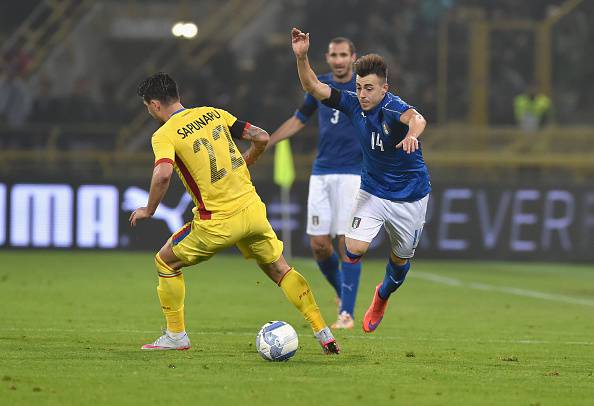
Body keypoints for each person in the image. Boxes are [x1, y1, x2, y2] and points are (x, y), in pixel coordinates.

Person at [130, 72, 339, 354]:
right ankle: (323, 332)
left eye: (147, 107)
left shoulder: (164, 134)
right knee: (281, 269)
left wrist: (149, 208)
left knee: (165, 262)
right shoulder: (214, 114)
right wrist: (248, 159)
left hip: (215, 223)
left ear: (155, 105)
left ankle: (176, 336)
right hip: (252, 212)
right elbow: (261, 136)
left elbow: (163, 174)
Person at [290, 28, 431, 333]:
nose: (363, 94)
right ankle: (347, 308)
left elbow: (417, 119)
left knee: (399, 262)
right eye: (359, 87)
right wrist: (302, 57)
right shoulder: (353, 103)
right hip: (373, 191)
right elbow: (314, 87)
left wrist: (411, 136)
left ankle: (381, 296)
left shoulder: (394, 107)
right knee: (352, 248)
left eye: (369, 88)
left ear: (384, 89)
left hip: (411, 195)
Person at [268, 37, 362, 329]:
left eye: (343, 55)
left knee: (347, 244)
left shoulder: (363, 88)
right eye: (334, 55)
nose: (338, 60)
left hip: (353, 173)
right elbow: (299, 119)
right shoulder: (319, 84)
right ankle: (341, 292)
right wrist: (267, 142)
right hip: (322, 172)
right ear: (328, 57)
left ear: (353, 57)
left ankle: (346, 313)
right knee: (320, 245)